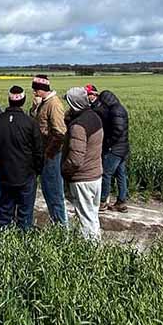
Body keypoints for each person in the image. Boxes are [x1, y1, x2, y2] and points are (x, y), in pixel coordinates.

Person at [0, 86, 43, 230]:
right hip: (26, 174)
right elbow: (38, 151)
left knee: (5, 208)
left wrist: (0, 165)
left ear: (9, 100)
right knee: (25, 211)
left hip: (5, 173)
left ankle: (4, 235)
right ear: (23, 101)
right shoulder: (30, 122)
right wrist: (37, 170)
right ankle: (24, 240)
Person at [62, 87, 104, 240]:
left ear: (73, 104)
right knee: (92, 214)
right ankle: (96, 242)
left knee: (86, 218)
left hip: (83, 178)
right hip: (96, 174)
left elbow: (76, 159)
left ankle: (90, 252)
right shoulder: (94, 117)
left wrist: (64, 171)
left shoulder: (78, 126)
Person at [29, 74, 69, 226]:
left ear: (42, 89)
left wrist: (48, 154)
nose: (34, 93)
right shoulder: (44, 102)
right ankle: (56, 223)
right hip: (46, 152)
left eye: (35, 90)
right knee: (47, 189)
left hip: (51, 154)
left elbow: (60, 133)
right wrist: (35, 108)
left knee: (54, 192)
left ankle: (61, 227)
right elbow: (36, 122)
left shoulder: (54, 104)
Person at [92, 89, 130, 213]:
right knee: (121, 175)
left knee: (106, 174)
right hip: (123, 149)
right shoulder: (120, 108)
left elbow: (117, 130)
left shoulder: (115, 111)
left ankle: (103, 202)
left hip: (115, 150)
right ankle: (121, 202)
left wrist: (108, 144)